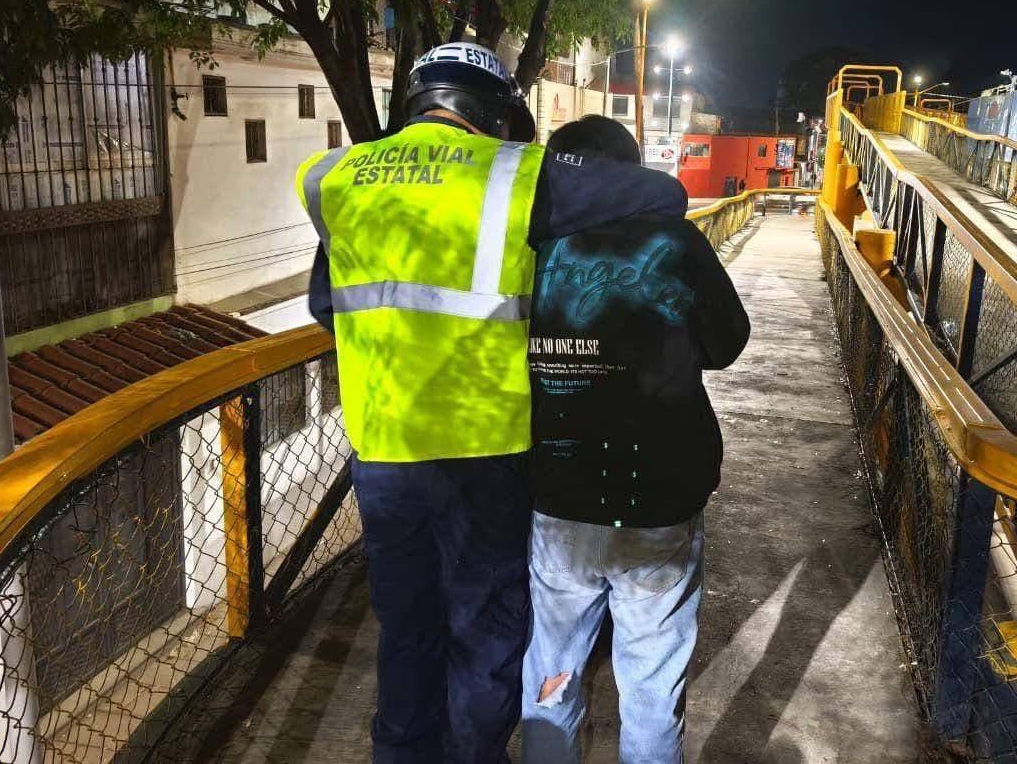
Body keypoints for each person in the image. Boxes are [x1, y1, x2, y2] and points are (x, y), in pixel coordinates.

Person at [296, 47, 687, 764]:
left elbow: (328, 304)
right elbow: (661, 195)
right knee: (486, 632)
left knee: (407, 628)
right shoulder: (511, 175)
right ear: (489, 109)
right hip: (483, 450)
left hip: (383, 451)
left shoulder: (340, 178)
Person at [519, 116, 750, 764]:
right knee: (651, 681)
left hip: (557, 493)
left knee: (552, 670)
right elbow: (727, 342)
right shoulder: (675, 240)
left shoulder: (527, 241)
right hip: (659, 495)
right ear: (632, 167)